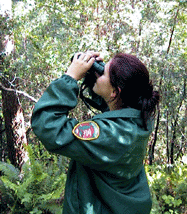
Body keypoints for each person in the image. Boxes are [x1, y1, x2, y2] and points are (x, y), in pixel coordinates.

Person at [31, 51, 160, 214]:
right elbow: (114, 107)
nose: (100, 72)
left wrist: (69, 78)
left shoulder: (109, 136)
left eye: (103, 72)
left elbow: (48, 126)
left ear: (115, 92)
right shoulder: (139, 119)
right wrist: (93, 75)